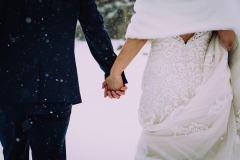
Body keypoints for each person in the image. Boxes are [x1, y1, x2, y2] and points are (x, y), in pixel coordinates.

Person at [103, 0, 240, 159]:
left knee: (159, 146)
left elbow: (138, 37)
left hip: (164, 85)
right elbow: (228, 41)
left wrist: (115, 73)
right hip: (205, 84)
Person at [0, 0, 127, 159]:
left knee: (14, 154)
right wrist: (112, 71)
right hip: (56, 85)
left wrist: (113, 72)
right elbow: (94, 27)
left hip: (10, 86)